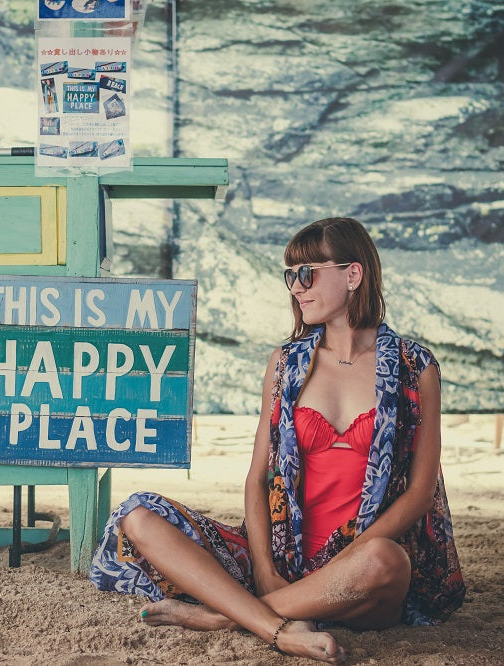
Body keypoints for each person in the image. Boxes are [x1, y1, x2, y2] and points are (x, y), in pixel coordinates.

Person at [89, 217, 465, 662]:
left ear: (353, 274)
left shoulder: (414, 366)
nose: (296, 287)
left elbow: (420, 494)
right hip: (284, 557)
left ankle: (226, 616)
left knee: (389, 560)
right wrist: (265, 571)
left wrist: (343, 566)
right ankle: (281, 626)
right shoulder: (286, 362)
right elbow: (257, 478)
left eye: (307, 273)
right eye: (290, 275)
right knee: (138, 515)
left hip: (361, 570)